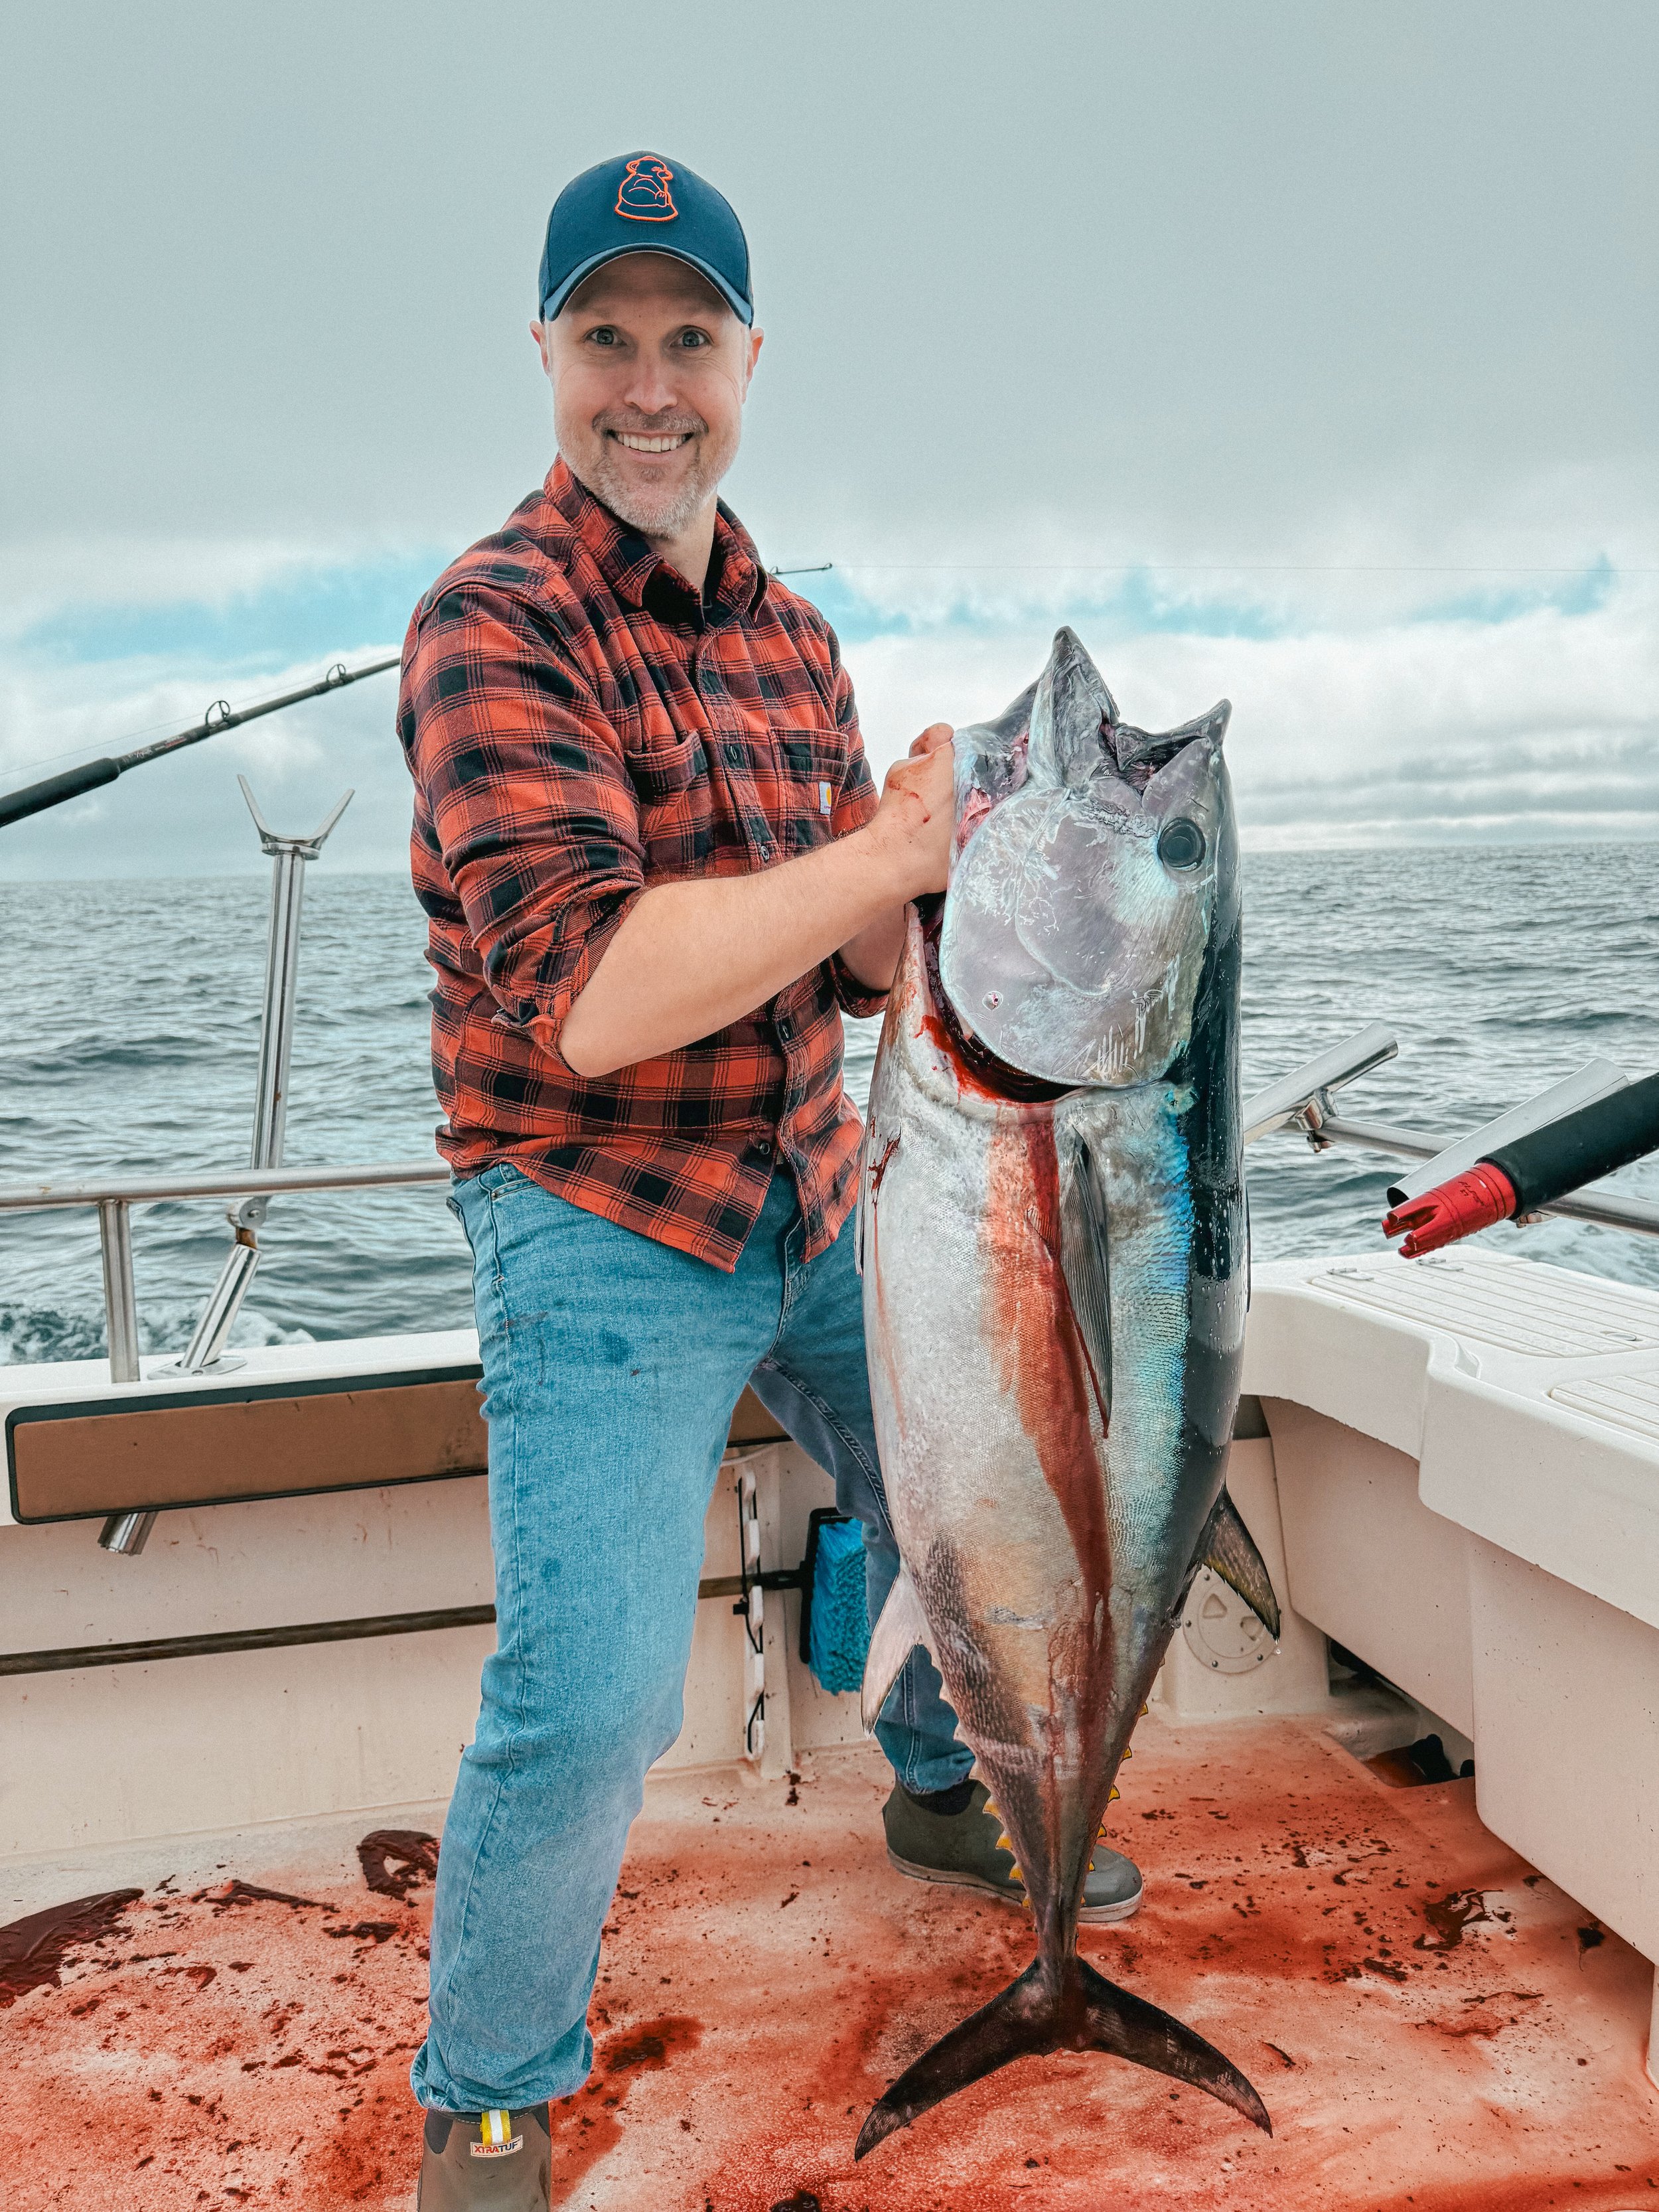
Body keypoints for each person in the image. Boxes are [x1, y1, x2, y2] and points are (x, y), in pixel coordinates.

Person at [397, 149, 1141, 2207]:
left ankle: (938, 1785)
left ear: (749, 361)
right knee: (593, 1692)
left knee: (967, 1509)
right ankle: (488, 2077)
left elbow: (853, 965)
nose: (653, 386)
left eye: (691, 339)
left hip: (822, 1184)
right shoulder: (488, 626)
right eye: (608, 338)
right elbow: (596, 1001)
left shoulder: (790, 633)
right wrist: (882, 862)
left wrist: (963, 870)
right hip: (598, 1220)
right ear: (545, 355)